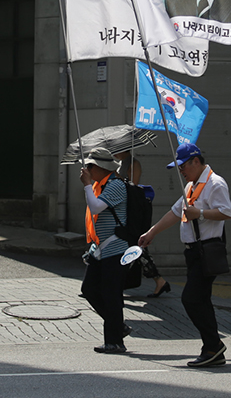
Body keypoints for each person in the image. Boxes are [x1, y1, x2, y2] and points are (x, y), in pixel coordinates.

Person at [138, 143, 231, 367]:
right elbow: (175, 212)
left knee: (191, 299)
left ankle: (213, 346)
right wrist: (152, 232)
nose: (181, 171)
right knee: (201, 300)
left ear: (196, 161)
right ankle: (212, 349)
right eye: (178, 167)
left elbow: (227, 212)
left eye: (183, 166)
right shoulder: (192, 186)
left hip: (207, 250)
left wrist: (199, 213)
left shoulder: (215, 183)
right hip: (193, 252)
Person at [80, 147, 131, 354]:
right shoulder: (101, 185)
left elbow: (95, 208)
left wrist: (86, 186)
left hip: (116, 249)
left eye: (90, 165)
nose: (87, 169)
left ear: (101, 167)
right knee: (89, 290)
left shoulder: (115, 185)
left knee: (110, 295)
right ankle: (118, 328)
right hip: (101, 249)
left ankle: (115, 341)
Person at [112, 150, 170, 298]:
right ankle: (159, 281)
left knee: (136, 245)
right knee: (133, 246)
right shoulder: (119, 164)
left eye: (117, 150)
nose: (114, 152)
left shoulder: (133, 163)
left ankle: (159, 280)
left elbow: (133, 188)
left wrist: (116, 176)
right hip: (123, 211)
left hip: (133, 213)